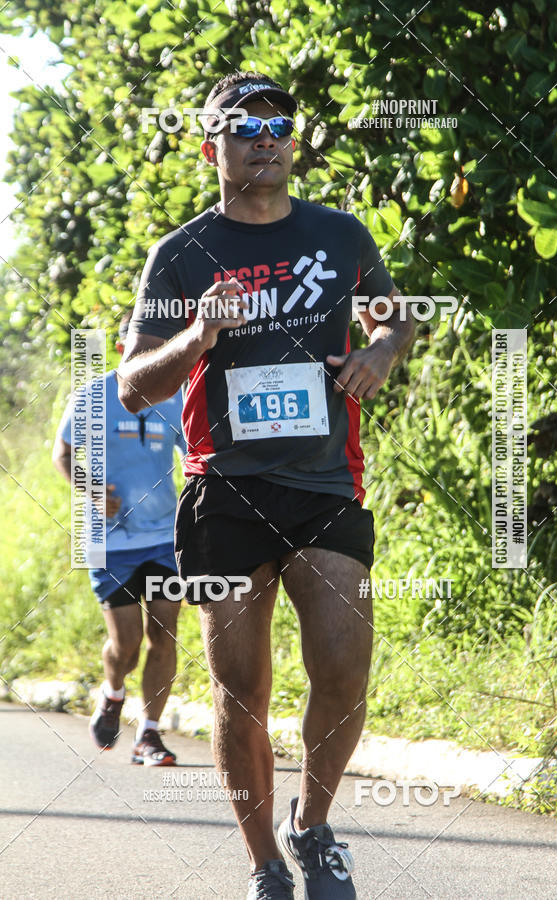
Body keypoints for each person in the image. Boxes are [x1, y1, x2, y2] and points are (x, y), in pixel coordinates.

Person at [118, 71, 415, 899]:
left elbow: (396, 315)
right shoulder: (180, 255)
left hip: (325, 483)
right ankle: (265, 866)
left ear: (294, 141)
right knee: (240, 692)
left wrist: (381, 352)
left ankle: (311, 825)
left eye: (279, 125)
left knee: (345, 670)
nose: (265, 139)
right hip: (225, 493)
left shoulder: (340, 234)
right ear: (209, 147)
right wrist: (198, 335)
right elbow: (134, 384)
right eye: (245, 127)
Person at [52, 312, 186, 766]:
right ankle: (112, 694)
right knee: (125, 645)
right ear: (121, 347)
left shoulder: (175, 395)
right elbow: (63, 453)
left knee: (164, 635)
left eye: (158, 345)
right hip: (109, 543)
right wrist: (90, 488)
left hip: (163, 538)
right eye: (140, 344)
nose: (150, 353)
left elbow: (196, 455)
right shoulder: (94, 395)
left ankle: (149, 734)